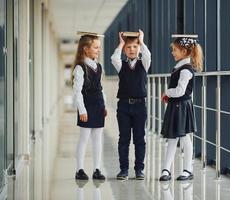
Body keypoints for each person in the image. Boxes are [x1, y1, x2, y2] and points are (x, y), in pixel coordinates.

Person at [159, 34, 203, 181]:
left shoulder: (185, 69)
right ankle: (166, 169)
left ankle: (187, 170)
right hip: (175, 105)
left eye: (175, 50)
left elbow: (180, 91)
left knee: (184, 138)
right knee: (172, 138)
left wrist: (167, 92)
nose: (172, 52)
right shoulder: (180, 67)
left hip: (181, 106)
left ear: (184, 52)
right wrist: (169, 95)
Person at [111, 29, 151, 180]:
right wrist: (121, 43)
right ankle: (124, 170)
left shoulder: (144, 64)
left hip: (140, 106)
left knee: (140, 138)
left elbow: (147, 55)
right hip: (123, 107)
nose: (132, 49)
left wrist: (141, 40)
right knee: (124, 139)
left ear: (139, 48)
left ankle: (139, 170)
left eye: (135, 47)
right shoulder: (121, 65)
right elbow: (114, 57)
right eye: (128, 47)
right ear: (124, 50)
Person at [73, 32, 107, 180]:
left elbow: (100, 87)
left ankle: (97, 169)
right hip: (86, 106)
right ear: (86, 49)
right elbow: (77, 91)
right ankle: (79, 169)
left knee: (97, 138)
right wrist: (82, 109)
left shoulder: (98, 67)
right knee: (84, 138)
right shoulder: (80, 68)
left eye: (99, 47)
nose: (98, 50)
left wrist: (104, 105)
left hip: (98, 105)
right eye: (95, 47)